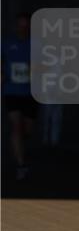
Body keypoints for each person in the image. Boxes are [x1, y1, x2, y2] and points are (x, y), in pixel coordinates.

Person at [3, 13, 35, 180]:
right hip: (11, 91)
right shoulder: (6, 43)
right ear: (16, 26)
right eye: (20, 25)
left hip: (31, 92)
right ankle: (21, 165)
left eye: (26, 25)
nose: (23, 28)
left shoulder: (37, 45)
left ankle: (19, 150)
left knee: (27, 130)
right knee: (16, 126)